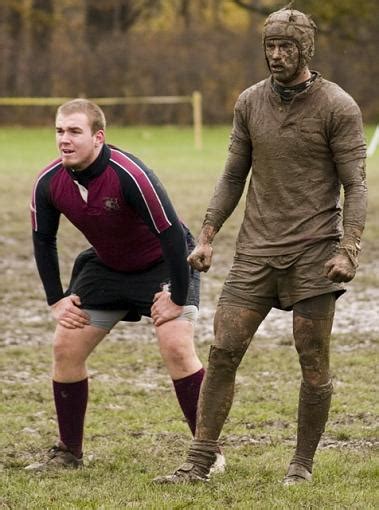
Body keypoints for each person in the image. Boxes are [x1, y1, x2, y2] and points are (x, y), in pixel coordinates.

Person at [154, 6, 367, 485]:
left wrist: (348, 249)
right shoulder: (250, 102)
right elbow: (233, 174)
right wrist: (207, 237)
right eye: (269, 46)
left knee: (312, 360)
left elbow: (356, 185)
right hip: (255, 253)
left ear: (305, 49)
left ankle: (302, 464)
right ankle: (199, 460)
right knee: (224, 349)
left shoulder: (338, 106)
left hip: (315, 254)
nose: (276, 55)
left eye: (286, 46)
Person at [27, 98, 225, 471]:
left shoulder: (129, 174)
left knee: (176, 346)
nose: (64, 140)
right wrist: (56, 300)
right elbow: (43, 240)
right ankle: (69, 453)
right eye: (59, 131)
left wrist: (177, 297)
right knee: (65, 346)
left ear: (98, 137)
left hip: (164, 264)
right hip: (107, 266)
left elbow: (170, 236)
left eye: (74, 131)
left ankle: (208, 455)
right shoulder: (48, 182)